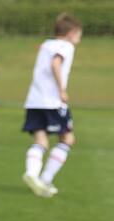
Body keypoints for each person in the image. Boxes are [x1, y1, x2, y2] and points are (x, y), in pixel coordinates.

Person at [21, 13, 82, 198]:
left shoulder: (46, 45)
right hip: (52, 102)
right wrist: (62, 89)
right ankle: (46, 178)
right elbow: (56, 63)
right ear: (72, 33)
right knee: (67, 139)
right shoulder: (66, 46)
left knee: (41, 141)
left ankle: (32, 173)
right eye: (79, 35)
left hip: (34, 101)